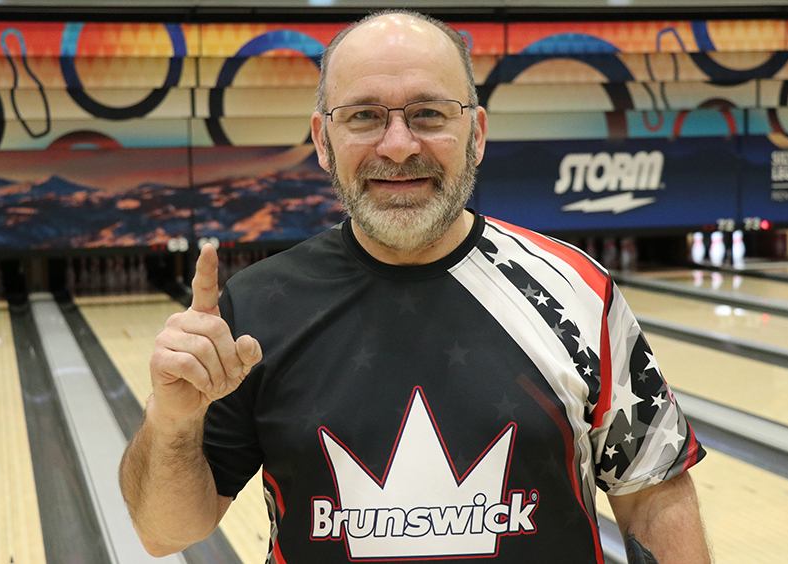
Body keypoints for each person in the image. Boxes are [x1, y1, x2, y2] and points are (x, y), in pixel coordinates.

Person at [120, 10, 710, 564]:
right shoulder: (255, 307)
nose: (398, 145)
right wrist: (171, 420)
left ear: (475, 134)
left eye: (428, 114)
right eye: (363, 116)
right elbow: (164, 531)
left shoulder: (576, 289)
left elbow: (652, 495)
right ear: (323, 141)